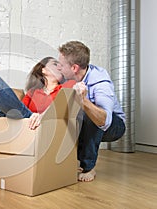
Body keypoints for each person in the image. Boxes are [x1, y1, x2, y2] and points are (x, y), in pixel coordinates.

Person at [57, 41, 126, 182]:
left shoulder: (101, 84)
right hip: (92, 123)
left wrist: (84, 101)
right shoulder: (68, 78)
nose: (59, 67)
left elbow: (104, 121)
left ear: (74, 68)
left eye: (61, 65)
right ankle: (71, 161)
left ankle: (88, 166)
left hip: (114, 125)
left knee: (87, 112)